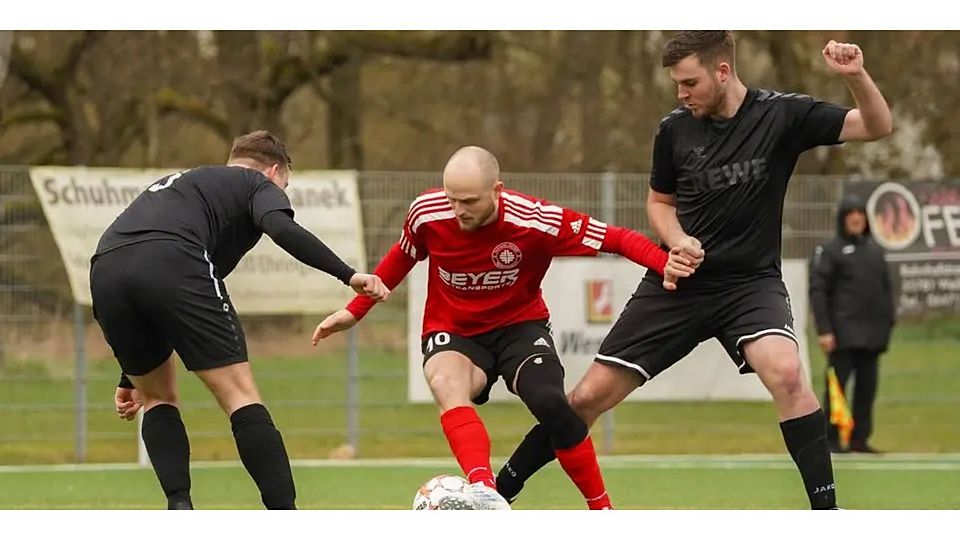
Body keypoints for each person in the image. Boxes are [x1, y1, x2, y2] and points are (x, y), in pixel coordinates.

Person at [494, 31, 893, 510]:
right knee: (585, 399)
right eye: (677, 85)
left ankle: (827, 515)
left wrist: (856, 77)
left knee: (788, 374)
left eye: (689, 82)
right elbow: (659, 203)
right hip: (677, 285)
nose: (681, 94)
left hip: (750, 286)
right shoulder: (674, 130)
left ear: (722, 71)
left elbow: (876, 125)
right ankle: (497, 495)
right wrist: (678, 240)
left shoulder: (783, 115)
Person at [312, 145, 690, 510]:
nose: (458, 210)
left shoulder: (536, 219)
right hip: (454, 330)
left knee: (552, 404)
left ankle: (602, 510)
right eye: (452, 198)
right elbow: (403, 256)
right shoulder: (427, 213)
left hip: (519, 327)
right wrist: (355, 310)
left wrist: (665, 263)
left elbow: (617, 238)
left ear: (497, 190)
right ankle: (485, 494)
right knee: (447, 384)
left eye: (470, 201)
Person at [92, 130, 389, 510]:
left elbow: (155, 286)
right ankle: (285, 516)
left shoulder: (191, 185)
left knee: (156, 397)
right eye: (285, 186)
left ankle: (179, 508)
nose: (282, 194)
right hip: (172, 257)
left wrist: (127, 374)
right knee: (240, 396)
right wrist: (349, 275)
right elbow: (281, 228)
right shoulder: (255, 183)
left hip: (106, 266)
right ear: (274, 171)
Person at [809, 193, 895, 454]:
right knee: (837, 389)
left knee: (867, 390)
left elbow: (886, 290)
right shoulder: (830, 251)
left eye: (860, 213)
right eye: (851, 213)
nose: (856, 218)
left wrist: (888, 323)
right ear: (843, 218)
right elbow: (818, 291)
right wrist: (825, 330)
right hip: (842, 335)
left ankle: (860, 439)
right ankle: (833, 439)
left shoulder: (875, 251)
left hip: (872, 337)